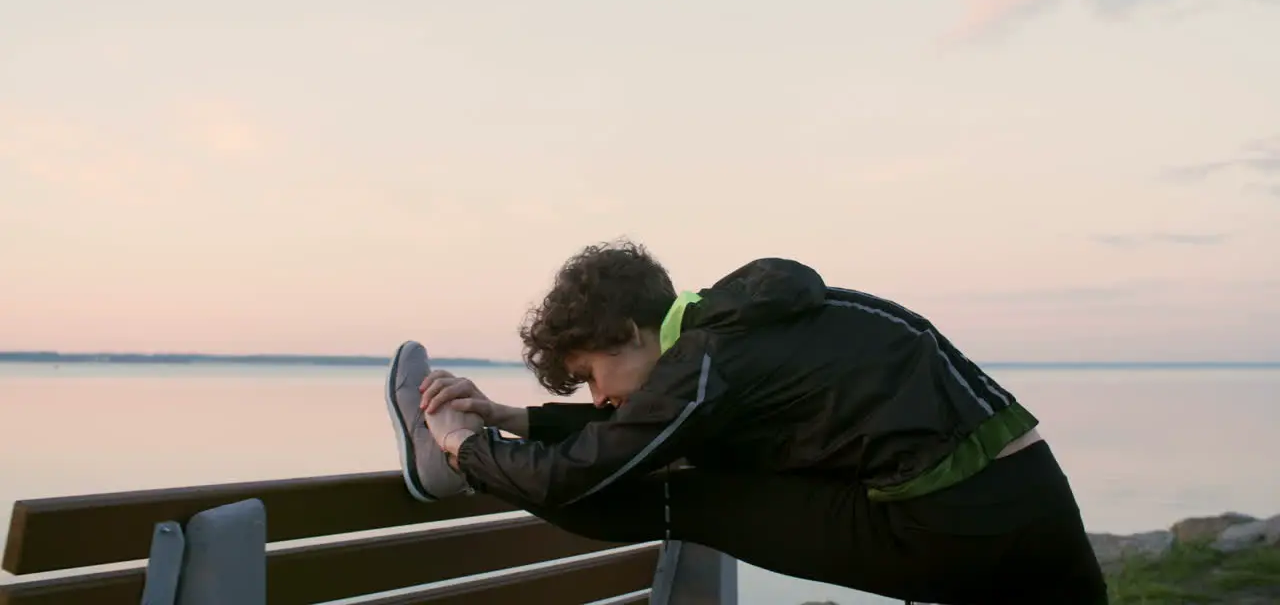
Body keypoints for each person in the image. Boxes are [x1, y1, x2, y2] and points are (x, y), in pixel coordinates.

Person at [384, 240, 1109, 604]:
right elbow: (636, 429)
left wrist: (462, 444)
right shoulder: (743, 326)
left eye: (590, 378)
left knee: (684, 493)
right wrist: (517, 418)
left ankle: (446, 474)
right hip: (1031, 498)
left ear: (633, 334)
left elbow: (584, 475)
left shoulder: (705, 365)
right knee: (686, 461)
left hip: (953, 526)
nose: (599, 398)